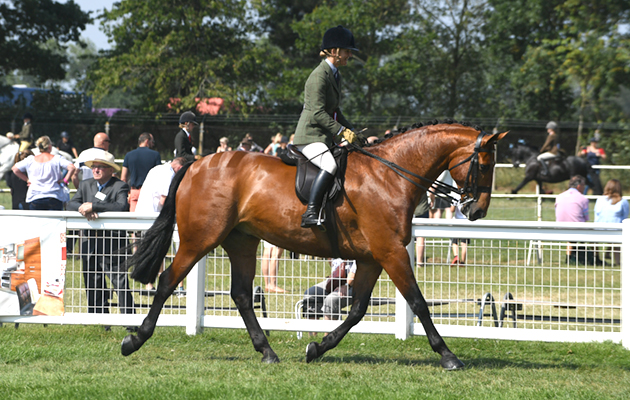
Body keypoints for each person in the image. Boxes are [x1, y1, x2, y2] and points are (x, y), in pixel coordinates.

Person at [293, 25, 360, 228]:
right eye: (347, 51)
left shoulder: (335, 74)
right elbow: (317, 113)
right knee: (330, 165)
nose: (350, 55)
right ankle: (311, 212)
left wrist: (352, 130)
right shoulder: (318, 76)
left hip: (322, 136)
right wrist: (341, 131)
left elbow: (335, 110)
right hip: (309, 136)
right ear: (334, 51)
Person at [66, 151, 135, 316]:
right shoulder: (85, 184)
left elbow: (121, 207)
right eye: (94, 167)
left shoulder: (120, 186)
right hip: (89, 243)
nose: (96, 170)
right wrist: (84, 209)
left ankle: (130, 321)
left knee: (119, 282)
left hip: (112, 244)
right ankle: (97, 319)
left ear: (111, 170)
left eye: (100, 167)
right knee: (92, 282)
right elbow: (71, 204)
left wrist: (94, 206)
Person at [135, 157, 186, 291]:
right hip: (156, 216)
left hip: (144, 214)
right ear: (180, 169)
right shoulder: (168, 174)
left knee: (154, 251)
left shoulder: (156, 169)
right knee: (171, 249)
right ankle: (177, 285)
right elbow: (164, 201)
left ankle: (150, 284)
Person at [11, 136, 75, 210]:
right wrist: (65, 180)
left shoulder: (30, 160)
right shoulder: (57, 159)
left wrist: (27, 180)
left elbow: (15, 169)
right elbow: (72, 167)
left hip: (35, 196)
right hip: (54, 195)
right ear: (50, 147)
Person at [302, 258, 357, 333]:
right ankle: (312, 336)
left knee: (331, 299)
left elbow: (355, 271)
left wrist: (346, 285)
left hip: (354, 283)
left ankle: (328, 337)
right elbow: (332, 264)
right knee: (310, 294)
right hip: (335, 280)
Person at [121, 133, 161, 212]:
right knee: (149, 217)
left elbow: (123, 178)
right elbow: (158, 176)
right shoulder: (155, 155)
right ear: (147, 141)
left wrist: (126, 193)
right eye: (152, 142)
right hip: (150, 193)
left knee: (134, 217)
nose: (153, 144)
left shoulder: (128, 155)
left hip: (134, 191)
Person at [555, 175, 589, 263]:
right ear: (579, 186)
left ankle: (569, 257)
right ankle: (594, 258)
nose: (584, 187)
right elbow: (586, 218)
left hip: (559, 228)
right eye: (584, 185)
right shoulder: (583, 198)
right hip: (577, 228)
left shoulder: (559, 196)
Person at [594, 179, 629, 265]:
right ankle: (617, 261)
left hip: (599, 229)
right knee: (617, 235)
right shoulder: (623, 201)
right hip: (616, 230)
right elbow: (625, 217)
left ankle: (598, 257)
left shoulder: (600, 200)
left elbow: (596, 215)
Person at [450, 202, 469, 267]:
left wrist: (454, 204)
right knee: (464, 243)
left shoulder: (456, 197)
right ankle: (463, 262)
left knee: (455, 242)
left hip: (456, 221)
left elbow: (452, 210)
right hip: (466, 222)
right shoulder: (469, 197)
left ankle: (456, 256)